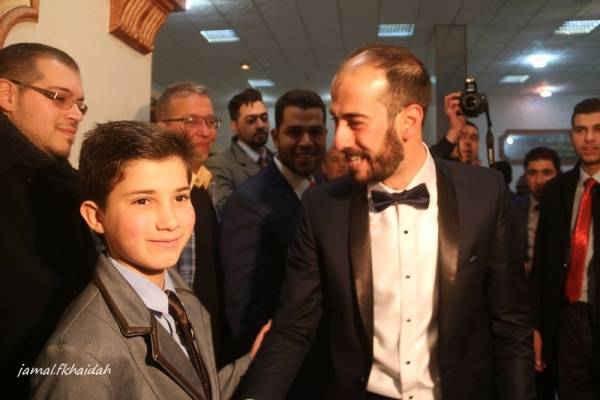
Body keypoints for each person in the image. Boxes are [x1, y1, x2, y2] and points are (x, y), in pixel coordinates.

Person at [237, 43, 534, 400]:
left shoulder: (484, 193)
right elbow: (292, 328)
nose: (339, 140)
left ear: (409, 120)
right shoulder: (322, 207)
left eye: (355, 122)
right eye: (336, 121)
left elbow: (512, 327)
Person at [31, 121, 267, 399]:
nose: (170, 221)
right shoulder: (77, 355)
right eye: (143, 201)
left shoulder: (180, 297)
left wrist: (251, 362)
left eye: (180, 197)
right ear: (96, 217)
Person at [0, 42, 97, 397]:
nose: (76, 114)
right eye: (59, 97)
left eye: (80, 104)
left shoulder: (58, 180)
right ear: (6, 94)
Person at [221, 89, 328, 398]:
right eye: (294, 132)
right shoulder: (249, 201)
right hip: (283, 375)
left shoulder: (326, 191)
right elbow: (243, 309)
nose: (306, 141)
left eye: (315, 132)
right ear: (276, 136)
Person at [155, 81, 230, 365]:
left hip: (208, 339)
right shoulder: (152, 193)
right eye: (191, 121)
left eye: (211, 122)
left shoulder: (206, 184)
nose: (206, 132)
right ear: (162, 127)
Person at [532, 98, 600, 400]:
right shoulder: (557, 190)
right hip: (567, 317)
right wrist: (537, 326)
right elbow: (541, 265)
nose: (589, 138)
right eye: (581, 130)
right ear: (571, 135)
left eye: (598, 129)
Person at [205, 87, 273, 213]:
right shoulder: (218, 165)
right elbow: (228, 210)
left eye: (264, 118)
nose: (260, 125)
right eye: (251, 120)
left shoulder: (277, 161)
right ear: (234, 126)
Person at [430, 91, 479, 165]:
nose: (468, 142)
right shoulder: (441, 170)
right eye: (461, 136)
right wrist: (455, 130)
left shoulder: (486, 172)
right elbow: (429, 163)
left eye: (473, 138)